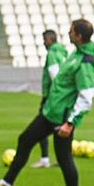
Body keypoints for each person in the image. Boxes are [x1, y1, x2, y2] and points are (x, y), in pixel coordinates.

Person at [0, 18, 94, 186]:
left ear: (79, 36)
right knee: (25, 139)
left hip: (62, 118)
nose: (68, 33)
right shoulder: (77, 53)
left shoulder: (86, 61)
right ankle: (6, 183)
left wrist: (70, 123)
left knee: (64, 159)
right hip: (51, 112)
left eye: (71, 31)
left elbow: (86, 95)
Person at [32, 28, 69, 170]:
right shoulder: (63, 52)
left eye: (44, 40)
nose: (43, 43)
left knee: (41, 128)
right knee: (59, 128)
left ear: (50, 39)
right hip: (63, 98)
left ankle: (45, 158)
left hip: (51, 97)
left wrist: (54, 97)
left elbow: (55, 77)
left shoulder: (53, 53)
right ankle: (63, 159)